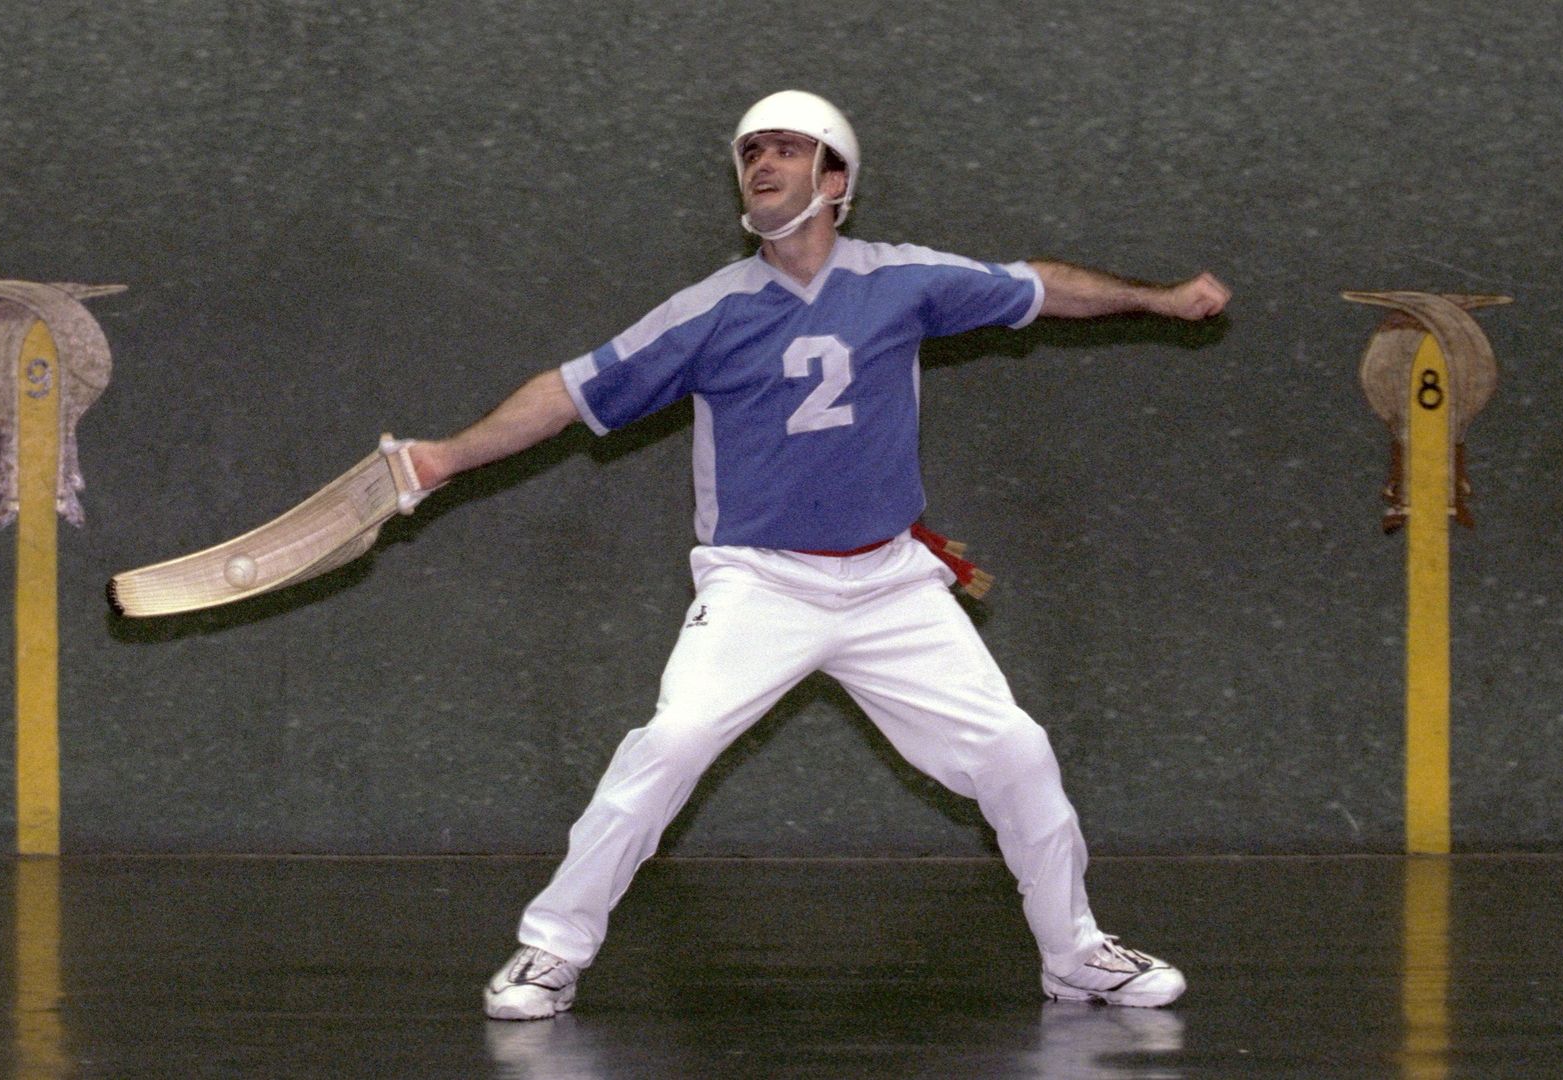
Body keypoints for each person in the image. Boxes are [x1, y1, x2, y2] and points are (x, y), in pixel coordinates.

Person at [403, 90, 1231, 1021]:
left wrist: (1158, 299)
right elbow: (566, 394)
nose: (760, 163)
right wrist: (444, 457)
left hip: (889, 584)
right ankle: (549, 950)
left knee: (1017, 750)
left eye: (787, 150)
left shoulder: (903, 280)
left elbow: (1038, 287)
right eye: (751, 151)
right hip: (761, 583)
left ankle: (1075, 953)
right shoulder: (708, 312)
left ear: (835, 179)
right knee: (669, 743)